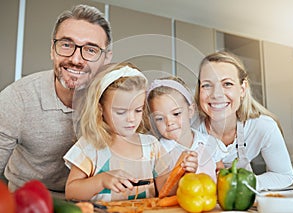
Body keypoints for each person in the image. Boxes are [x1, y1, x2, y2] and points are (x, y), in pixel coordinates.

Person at [0, 4, 112, 194]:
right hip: (28, 199)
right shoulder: (17, 98)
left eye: (90, 50)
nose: (76, 59)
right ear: (52, 49)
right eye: (67, 45)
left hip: (91, 200)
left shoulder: (115, 99)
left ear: (106, 58)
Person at [64, 62, 169, 201]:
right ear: (100, 109)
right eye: (121, 112)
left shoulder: (152, 146)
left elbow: (166, 192)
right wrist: (101, 181)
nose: (131, 119)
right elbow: (71, 192)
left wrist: (184, 171)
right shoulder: (89, 146)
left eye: (138, 110)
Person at [194, 51, 293, 190]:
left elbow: (284, 175)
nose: (216, 94)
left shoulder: (263, 127)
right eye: (206, 85)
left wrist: (241, 184)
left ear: (242, 89)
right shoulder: (188, 128)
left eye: (227, 84)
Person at [146, 76, 217, 182]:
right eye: (159, 118)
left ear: (190, 111)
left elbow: (219, 171)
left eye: (176, 114)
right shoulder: (159, 151)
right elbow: (163, 188)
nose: (169, 122)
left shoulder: (209, 142)